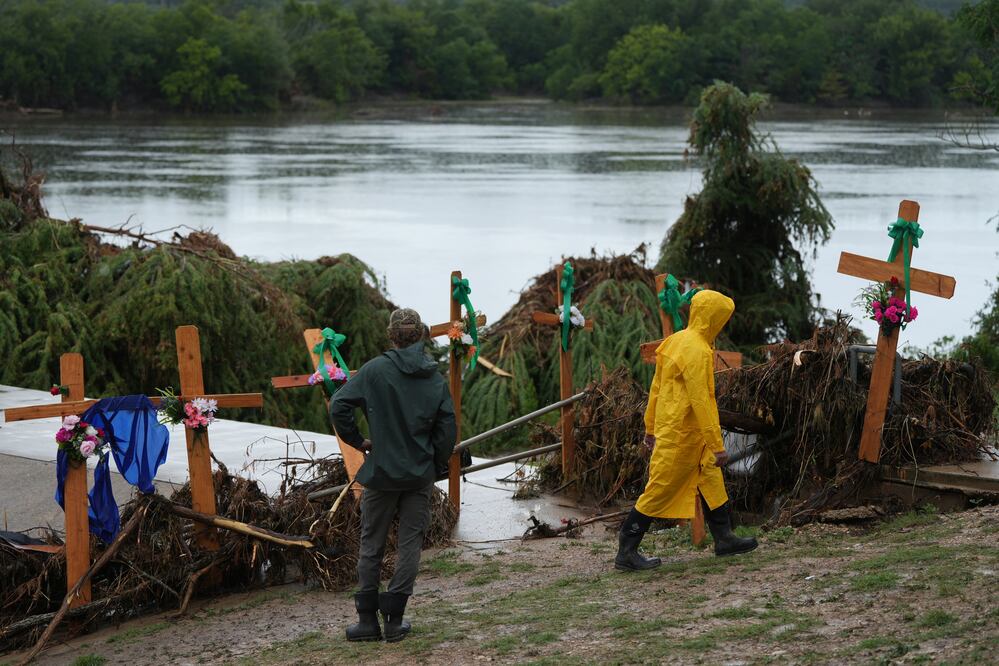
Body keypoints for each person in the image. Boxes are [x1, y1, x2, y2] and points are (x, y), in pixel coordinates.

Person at [330, 308, 457, 642]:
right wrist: (435, 461)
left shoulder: (374, 371)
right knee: (410, 544)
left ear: (392, 336)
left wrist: (359, 442)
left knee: (371, 544)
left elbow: (338, 405)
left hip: (381, 472)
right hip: (419, 475)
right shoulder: (434, 378)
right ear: (421, 335)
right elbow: (447, 430)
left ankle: (367, 623)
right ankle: (395, 620)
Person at [615, 290, 758, 572]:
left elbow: (655, 390)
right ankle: (626, 551)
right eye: (721, 318)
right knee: (659, 488)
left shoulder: (675, 342)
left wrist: (650, 427)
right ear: (712, 318)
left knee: (711, 480)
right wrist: (718, 444)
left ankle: (724, 538)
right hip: (682, 435)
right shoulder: (697, 349)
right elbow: (701, 399)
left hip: (683, 433)